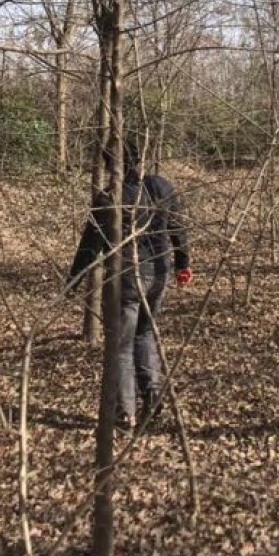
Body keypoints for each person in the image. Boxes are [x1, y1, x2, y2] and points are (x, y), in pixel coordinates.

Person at [67, 140, 191, 431]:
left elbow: (90, 245)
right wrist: (183, 263)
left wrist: (73, 278)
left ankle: (126, 413)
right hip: (159, 273)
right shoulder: (162, 187)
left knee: (122, 346)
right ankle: (152, 395)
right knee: (144, 333)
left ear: (112, 165)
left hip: (126, 279)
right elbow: (179, 228)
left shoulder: (109, 198)